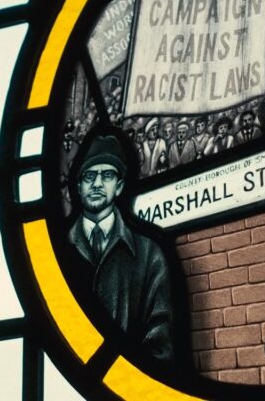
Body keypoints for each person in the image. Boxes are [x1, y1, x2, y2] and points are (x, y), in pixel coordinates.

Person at [67, 135, 175, 362]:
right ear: (78, 187)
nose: (97, 184)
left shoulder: (149, 254)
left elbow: (161, 337)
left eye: (107, 175)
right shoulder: (58, 252)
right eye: (89, 176)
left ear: (120, 186)